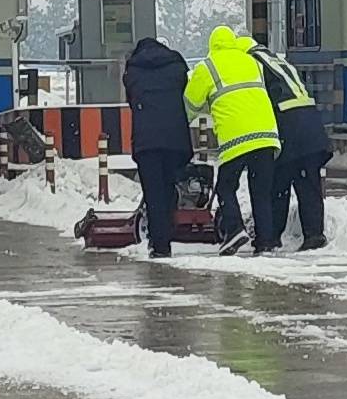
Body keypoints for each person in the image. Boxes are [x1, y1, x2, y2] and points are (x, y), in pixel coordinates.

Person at [187, 23, 286, 253]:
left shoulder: (208, 66)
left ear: (212, 46)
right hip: (267, 135)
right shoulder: (251, 62)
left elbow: (190, 104)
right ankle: (266, 242)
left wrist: (202, 112)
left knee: (225, 186)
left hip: (236, 138)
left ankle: (234, 230)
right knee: (261, 191)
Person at [121, 29, 196, 261]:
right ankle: (169, 226)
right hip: (176, 140)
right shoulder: (177, 66)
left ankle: (160, 244)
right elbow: (186, 93)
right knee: (169, 185)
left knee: (153, 193)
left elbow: (132, 100)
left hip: (147, 142)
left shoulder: (132, 71)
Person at [260, 38, 331, 251]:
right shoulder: (280, 63)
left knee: (279, 185)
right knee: (308, 183)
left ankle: (272, 237)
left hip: (290, 131)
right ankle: (314, 234)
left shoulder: (255, 67)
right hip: (312, 127)